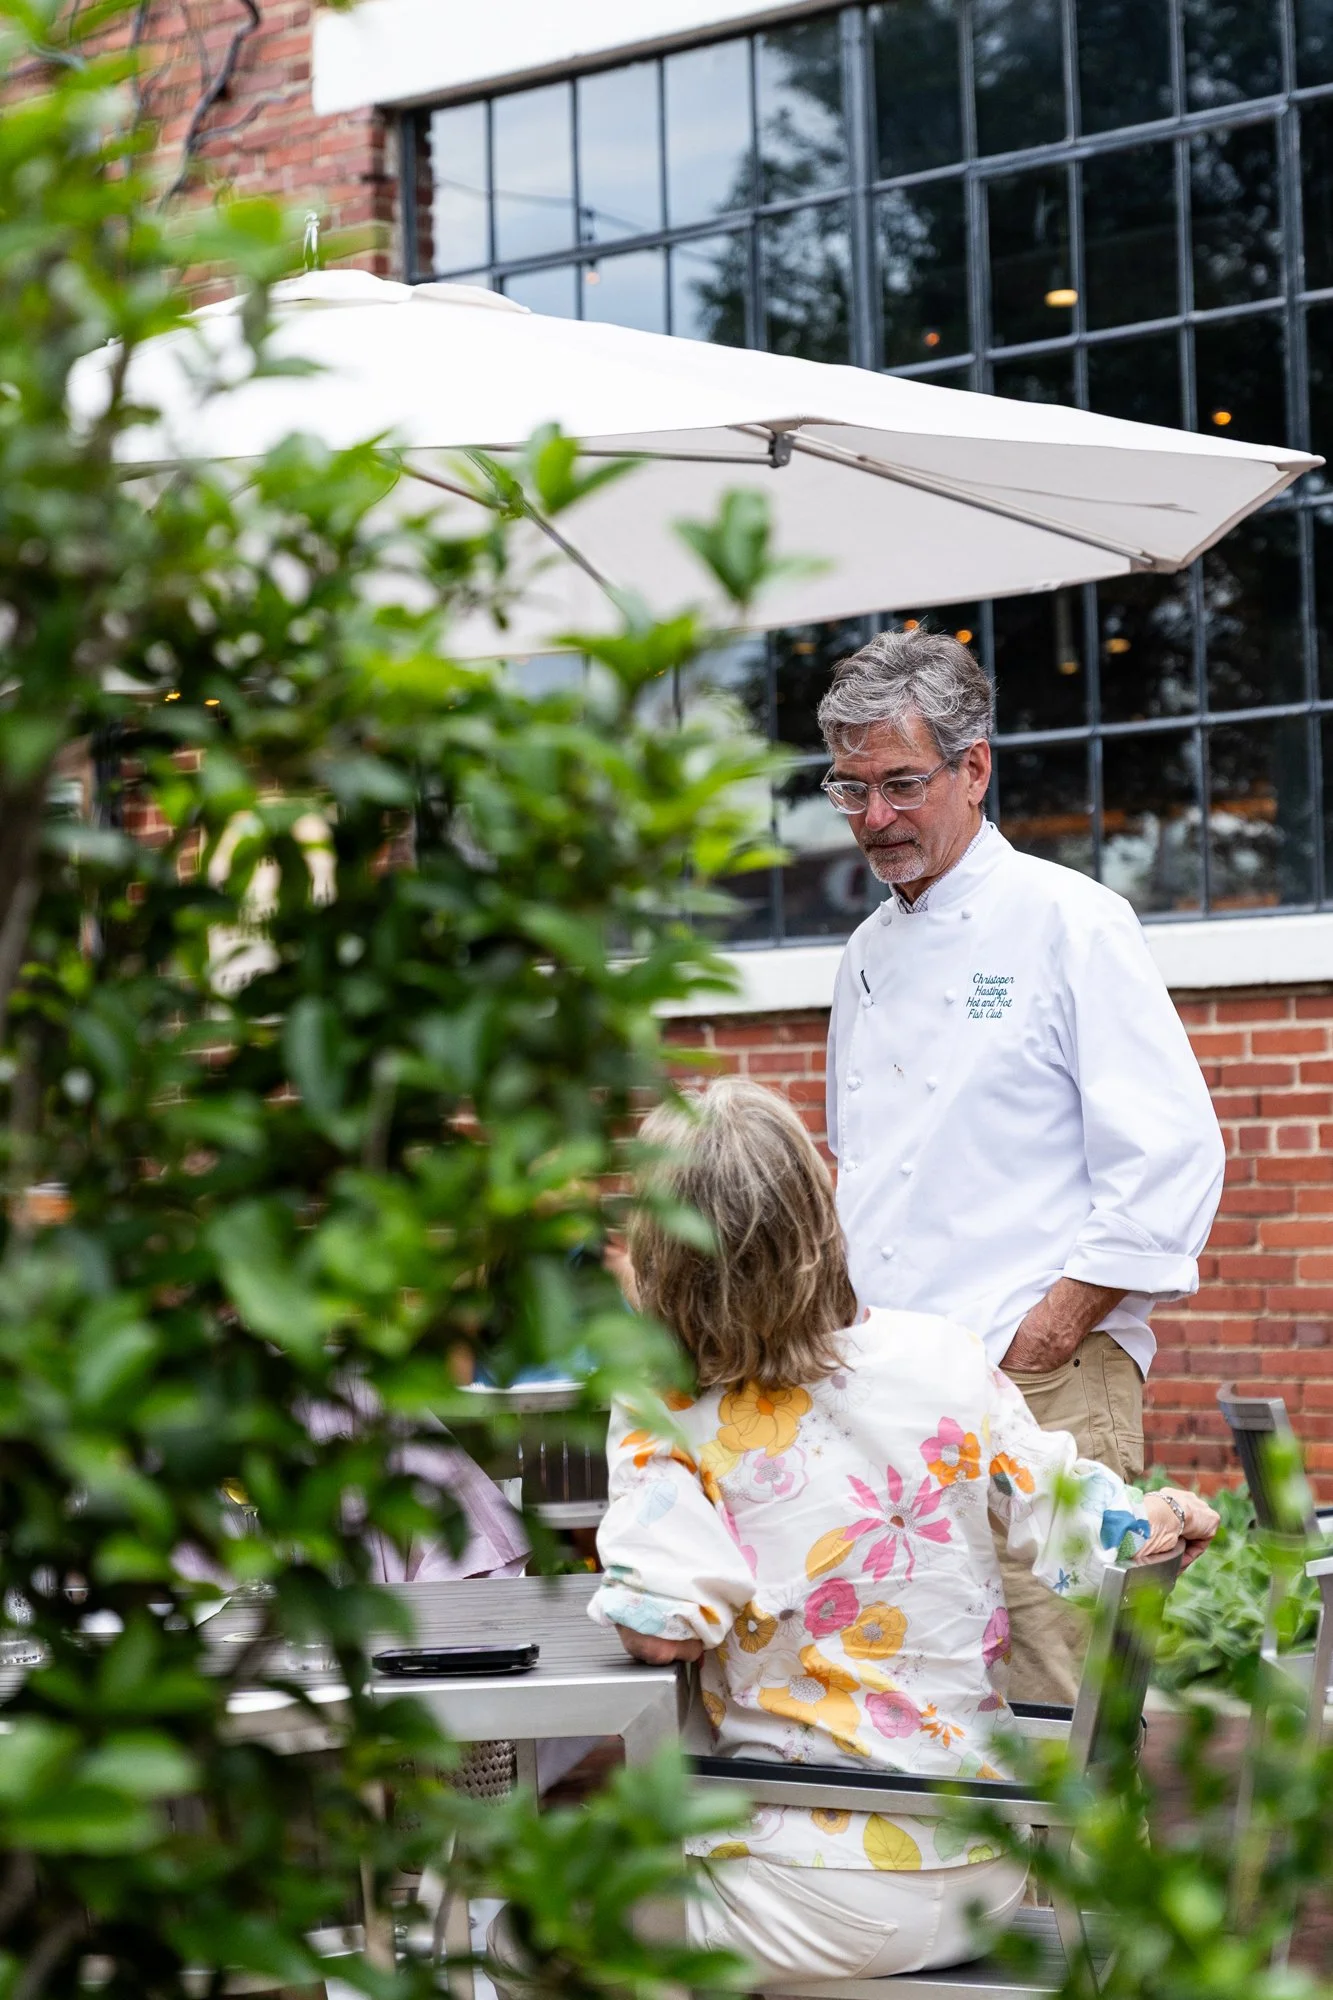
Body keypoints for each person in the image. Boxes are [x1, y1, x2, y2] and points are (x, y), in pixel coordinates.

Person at [586, 1079, 1218, 1990]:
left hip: (801, 1883)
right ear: (816, 1217)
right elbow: (1096, 1528)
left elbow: (658, 1628)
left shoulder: (670, 1413)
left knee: (522, 1931)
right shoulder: (947, 1358)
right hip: (990, 1871)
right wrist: (1166, 1512)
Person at [817, 627, 1226, 1703]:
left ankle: (1087, 1881)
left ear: (974, 767)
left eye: (901, 783)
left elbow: (1172, 1153)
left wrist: (1041, 1331)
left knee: (1061, 1695)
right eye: (848, 790)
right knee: (935, 1696)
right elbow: (864, 1165)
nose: (875, 819)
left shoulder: (1070, 920)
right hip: (900, 1396)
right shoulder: (863, 953)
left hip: (1039, 1382)